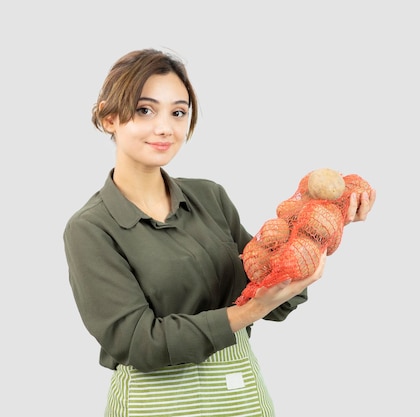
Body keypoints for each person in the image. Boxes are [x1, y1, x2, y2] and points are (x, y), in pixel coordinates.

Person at [63, 48, 376, 417]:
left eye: (178, 112)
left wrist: (320, 227)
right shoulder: (91, 229)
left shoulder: (209, 197)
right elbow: (137, 343)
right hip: (155, 405)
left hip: (238, 397)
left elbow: (270, 296)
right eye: (145, 110)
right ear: (108, 117)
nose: (166, 127)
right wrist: (248, 313)